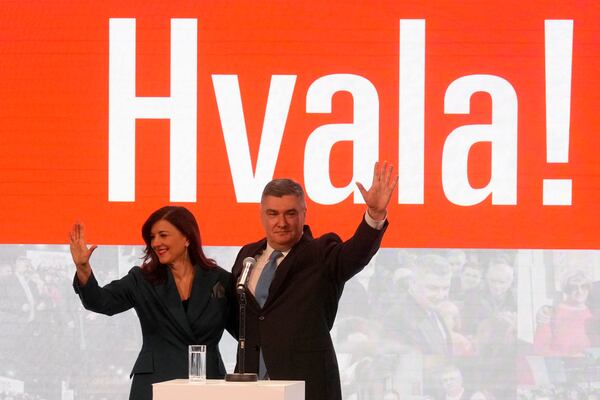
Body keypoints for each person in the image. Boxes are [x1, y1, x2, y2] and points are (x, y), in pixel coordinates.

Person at [230, 161, 397, 400]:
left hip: (307, 385)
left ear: (304, 214)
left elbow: (356, 253)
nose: (282, 222)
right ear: (261, 214)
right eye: (273, 213)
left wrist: (375, 215)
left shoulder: (321, 253)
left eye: (290, 213)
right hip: (251, 385)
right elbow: (244, 318)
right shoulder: (247, 256)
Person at [70, 206, 235, 400]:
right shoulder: (142, 279)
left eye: (163, 235)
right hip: (155, 384)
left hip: (206, 383)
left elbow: (245, 334)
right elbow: (101, 302)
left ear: (187, 237)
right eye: (152, 237)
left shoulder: (220, 280)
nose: (156, 243)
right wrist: (83, 269)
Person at [384, 254, 453, 355]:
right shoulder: (398, 319)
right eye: (433, 288)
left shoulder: (432, 310)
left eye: (446, 288)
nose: (441, 295)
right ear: (412, 284)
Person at [533, 269, 594, 356]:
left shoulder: (594, 311)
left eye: (584, 286)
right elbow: (539, 348)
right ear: (566, 290)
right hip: (564, 366)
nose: (580, 291)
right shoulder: (550, 313)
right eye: (574, 287)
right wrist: (568, 357)